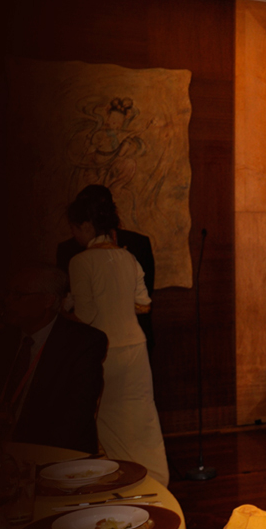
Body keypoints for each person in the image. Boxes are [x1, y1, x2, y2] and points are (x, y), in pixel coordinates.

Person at [67, 192, 169, 485]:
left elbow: (86, 316)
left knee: (107, 422)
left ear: (87, 226)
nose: (74, 235)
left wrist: (65, 310)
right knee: (142, 419)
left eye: (75, 228)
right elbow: (144, 304)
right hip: (135, 348)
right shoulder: (128, 256)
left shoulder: (80, 261)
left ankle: (119, 483)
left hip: (104, 350)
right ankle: (155, 481)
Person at [0, 265, 107, 454]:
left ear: (48, 300)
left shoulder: (82, 343)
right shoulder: (6, 338)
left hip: (48, 453)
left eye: (18, 295)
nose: (8, 301)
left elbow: (75, 417)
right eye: (7, 293)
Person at [57, 185, 156, 348]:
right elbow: (68, 296)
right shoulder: (68, 251)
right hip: (89, 340)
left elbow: (144, 298)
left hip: (130, 338)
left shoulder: (137, 244)